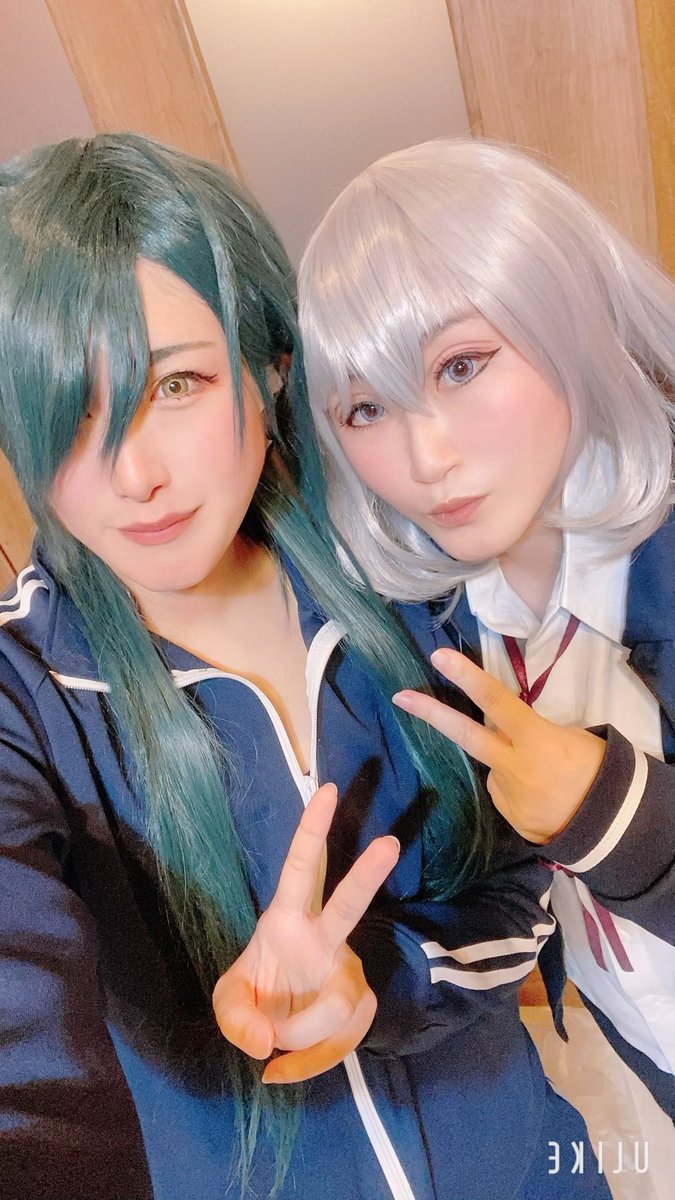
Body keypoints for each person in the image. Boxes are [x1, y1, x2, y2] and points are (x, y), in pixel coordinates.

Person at [0, 134, 610, 1200]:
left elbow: (518, 881)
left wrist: (381, 983)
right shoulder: (25, 697)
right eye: (67, 409)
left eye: (176, 384)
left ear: (270, 367)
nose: (132, 474)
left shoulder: (412, 581)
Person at [298, 136, 675, 1123]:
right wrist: (368, 986)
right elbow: (505, 889)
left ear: (566, 311)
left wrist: (611, 813)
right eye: (365, 408)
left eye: (461, 365)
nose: (425, 456)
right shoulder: (445, 621)